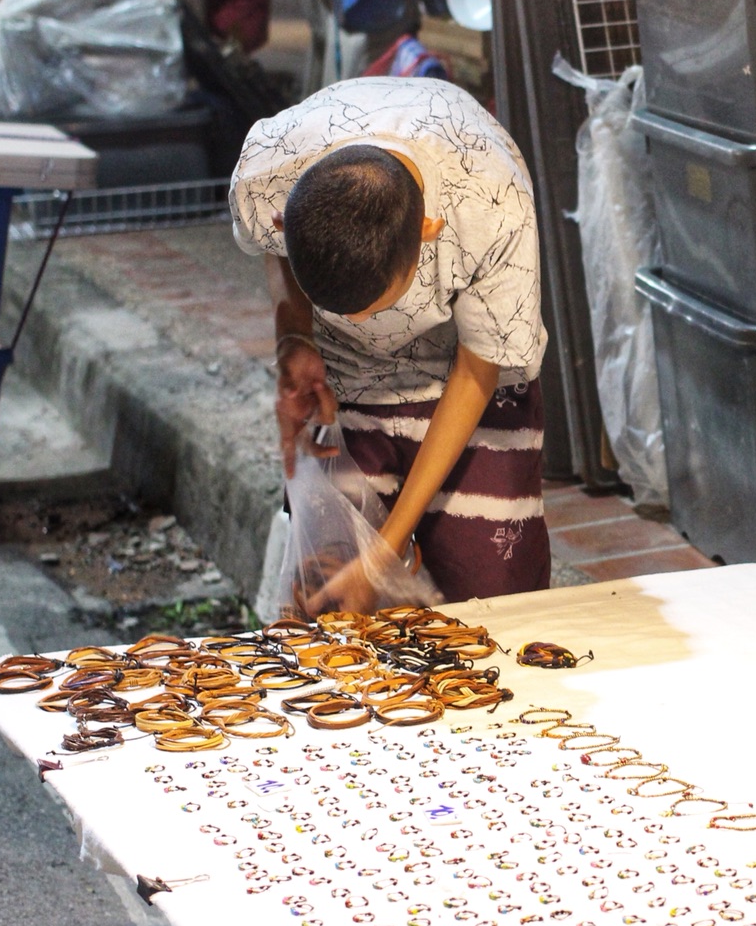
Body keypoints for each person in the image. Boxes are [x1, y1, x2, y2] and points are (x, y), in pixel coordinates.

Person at [231, 78, 550, 609]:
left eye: (372, 306)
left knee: (493, 597)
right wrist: (296, 335)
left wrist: (383, 555)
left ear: (428, 231)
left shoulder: (489, 203)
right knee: (325, 589)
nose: (356, 320)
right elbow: (275, 250)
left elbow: (479, 370)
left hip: (465, 370)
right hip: (344, 378)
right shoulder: (266, 173)